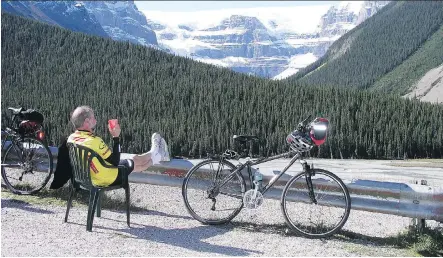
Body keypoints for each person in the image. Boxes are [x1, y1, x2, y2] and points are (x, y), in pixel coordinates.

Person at [66, 105, 169, 187]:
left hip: (85, 177)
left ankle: (157, 154)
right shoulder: (94, 141)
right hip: (105, 178)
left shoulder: (71, 138)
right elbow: (115, 162)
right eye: (93, 118)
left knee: (133, 159)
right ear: (87, 121)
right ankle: (156, 154)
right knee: (133, 162)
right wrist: (116, 137)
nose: (95, 120)